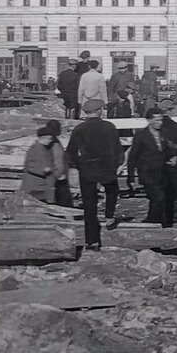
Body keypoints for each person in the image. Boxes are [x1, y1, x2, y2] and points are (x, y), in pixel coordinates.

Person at [66, 99, 125, 249]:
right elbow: (117, 148)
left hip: (87, 167)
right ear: (99, 111)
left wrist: (76, 165)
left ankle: (92, 240)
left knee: (89, 205)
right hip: (106, 166)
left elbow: (71, 151)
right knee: (112, 190)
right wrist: (119, 163)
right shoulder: (109, 127)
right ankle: (109, 216)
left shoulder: (79, 129)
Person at [128, 107, 177, 228]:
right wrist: (131, 178)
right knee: (159, 197)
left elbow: (172, 148)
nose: (160, 123)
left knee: (162, 198)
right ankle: (151, 221)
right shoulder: (141, 135)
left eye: (161, 120)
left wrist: (175, 157)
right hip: (147, 172)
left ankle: (157, 223)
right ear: (149, 120)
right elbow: (132, 157)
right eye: (156, 120)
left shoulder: (164, 133)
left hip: (162, 172)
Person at [19, 120, 68, 205]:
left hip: (42, 184)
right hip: (36, 185)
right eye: (49, 139)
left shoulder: (45, 148)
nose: (50, 140)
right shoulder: (39, 149)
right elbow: (36, 166)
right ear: (43, 138)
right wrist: (56, 173)